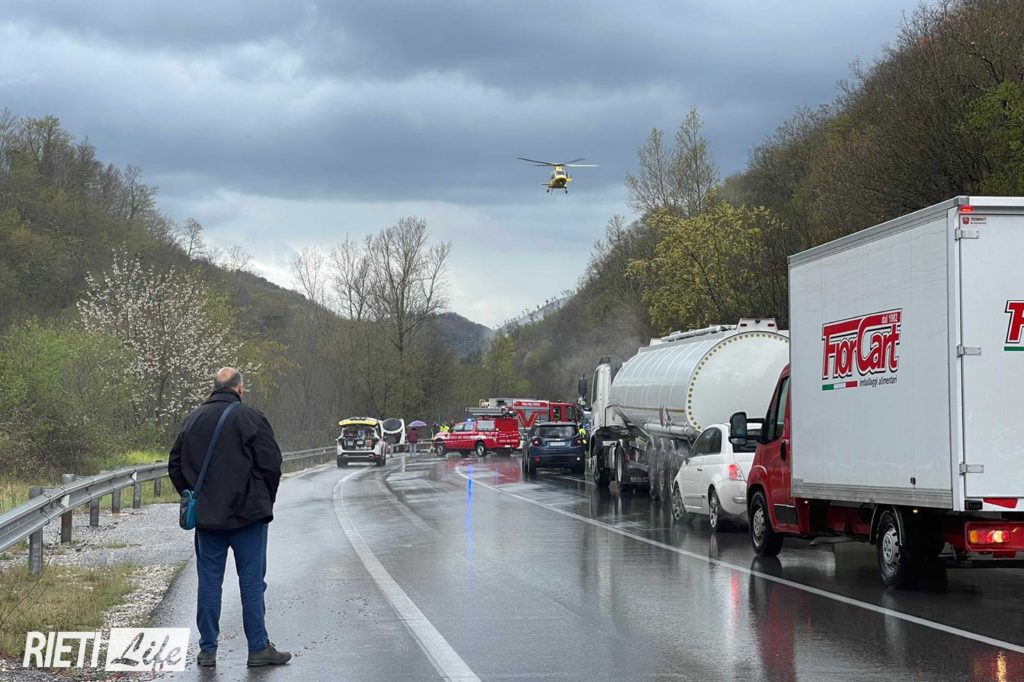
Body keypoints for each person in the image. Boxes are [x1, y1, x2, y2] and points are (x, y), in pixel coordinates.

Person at [168, 367, 291, 669]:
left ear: (214, 387)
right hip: (248, 516)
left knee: (209, 583)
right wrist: (265, 498)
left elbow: (175, 465)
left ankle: (207, 651)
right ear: (239, 388)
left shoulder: (193, 419)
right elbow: (272, 464)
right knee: (252, 583)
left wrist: (194, 496)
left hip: (208, 519)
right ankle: (258, 649)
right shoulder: (251, 417)